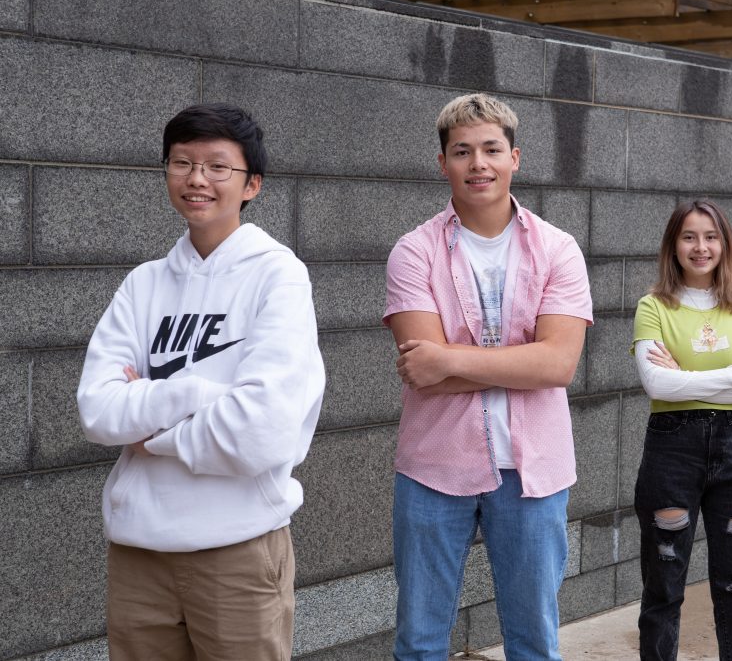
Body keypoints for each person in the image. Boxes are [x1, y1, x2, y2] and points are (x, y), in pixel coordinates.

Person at [77, 103, 325, 660]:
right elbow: (96, 409)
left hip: (235, 551)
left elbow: (262, 429)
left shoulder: (277, 275)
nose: (196, 179)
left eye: (217, 166)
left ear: (251, 185)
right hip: (138, 552)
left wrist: (151, 428)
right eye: (182, 163)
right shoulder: (144, 284)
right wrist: (199, 393)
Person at [383, 92, 592, 660]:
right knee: (420, 640)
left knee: (533, 641)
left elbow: (558, 364)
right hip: (434, 467)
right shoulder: (413, 252)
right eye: (462, 151)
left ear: (515, 158)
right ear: (443, 163)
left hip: (534, 473)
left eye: (491, 149)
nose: (479, 163)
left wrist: (450, 358)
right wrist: (521, 364)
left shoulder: (558, 249)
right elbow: (419, 374)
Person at [631, 199, 732, 661]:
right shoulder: (653, 306)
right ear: (673, 245)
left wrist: (686, 380)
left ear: (725, 244)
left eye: (711, 236)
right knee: (663, 589)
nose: (701, 247)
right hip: (672, 451)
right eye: (689, 236)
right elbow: (657, 383)